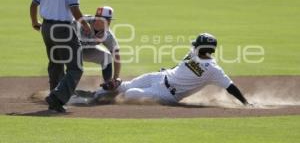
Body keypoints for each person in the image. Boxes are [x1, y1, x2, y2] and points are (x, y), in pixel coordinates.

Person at [86, 33, 251, 106]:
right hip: (160, 77)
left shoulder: (213, 70)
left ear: (204, 47)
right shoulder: (193, 52)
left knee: (130, 94)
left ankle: (107, 98)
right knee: (123, 86)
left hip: (168, 94)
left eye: (197, 43)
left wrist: (245, 103)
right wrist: (168, 69)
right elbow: (181, 66)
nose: (193, 45)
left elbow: (230, 86)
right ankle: (96, 95)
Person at [30, 0, 91, 112]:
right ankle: (56, 98)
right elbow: (74, 9)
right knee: (75, 68)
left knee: (55, 64)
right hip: (63, 29)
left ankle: (54, 100)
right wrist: (85, 25)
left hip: (46, 28)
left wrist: (35, 22)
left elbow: (33, 4)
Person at [74, 6, 121, 86]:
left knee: (107, 57)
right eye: (106, 20)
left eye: (109, 20)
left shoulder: (108, 35)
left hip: (85, 51)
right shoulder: (82, 21)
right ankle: (62, 88)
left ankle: (108, 83)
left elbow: (116, 55)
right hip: (69, 50)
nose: (109, 22)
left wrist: (115, 78)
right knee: (75, 67)